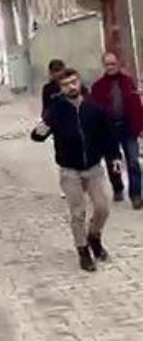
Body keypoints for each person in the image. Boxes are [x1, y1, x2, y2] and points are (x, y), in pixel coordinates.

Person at [31, 68, 123, 271]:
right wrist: (39, 131)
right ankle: (83, 252)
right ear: (61, 88)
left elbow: (108, 138)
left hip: (93, 168)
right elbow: (38, 136)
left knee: (102, 207)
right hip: (69, 170)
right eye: (66, 84)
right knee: (77, 213)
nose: (71, 87)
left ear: (79, 82)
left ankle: (94, 236)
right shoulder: (56, 111)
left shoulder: (95, 109)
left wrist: (115, 158)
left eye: (74, 82)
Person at [89, 52, 143, 207]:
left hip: (128, 127)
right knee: (114, 162)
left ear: (118, 64)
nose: (111, 67)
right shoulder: (98, 86)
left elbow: (136, 105)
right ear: (104, 66)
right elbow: (95, 110)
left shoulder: (128, 82)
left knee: (133, 161)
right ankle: (118, 188)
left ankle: (136, 195)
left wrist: (139, 126)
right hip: (109, 130)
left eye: (113, 64)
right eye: (107, 64)